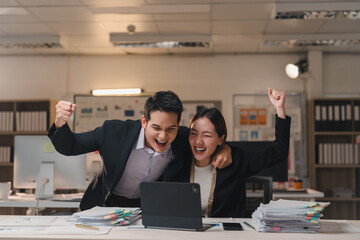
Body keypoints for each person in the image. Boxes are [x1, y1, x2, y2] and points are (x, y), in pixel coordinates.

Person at [48, 90, 232, 211]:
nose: (163, 137)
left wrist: (224, 148)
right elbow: (70, 146)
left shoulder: (183, 137)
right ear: (144, 122)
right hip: (106, 205)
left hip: (148, 208)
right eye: (156, 128)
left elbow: (206, 142)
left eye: (170, 129)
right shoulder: (113, 132)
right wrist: (60, 123)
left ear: (178, 125)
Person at [180, 88, 291, 218]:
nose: (198, 141)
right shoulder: (179, 160)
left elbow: (278, 152)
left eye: (207, 135)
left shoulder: (236, 160)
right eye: (193, 134)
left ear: (220, 139)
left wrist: (280, 110)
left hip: (227, 234)